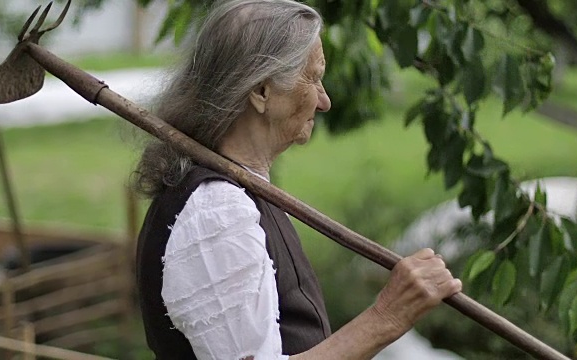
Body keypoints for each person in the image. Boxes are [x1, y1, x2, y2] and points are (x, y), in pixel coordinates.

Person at [134, 0, 462, 359]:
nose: (325, 101)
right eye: (314, 78)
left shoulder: (242, 192)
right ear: (261, 92)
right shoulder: (216, 213)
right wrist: (387, 316)